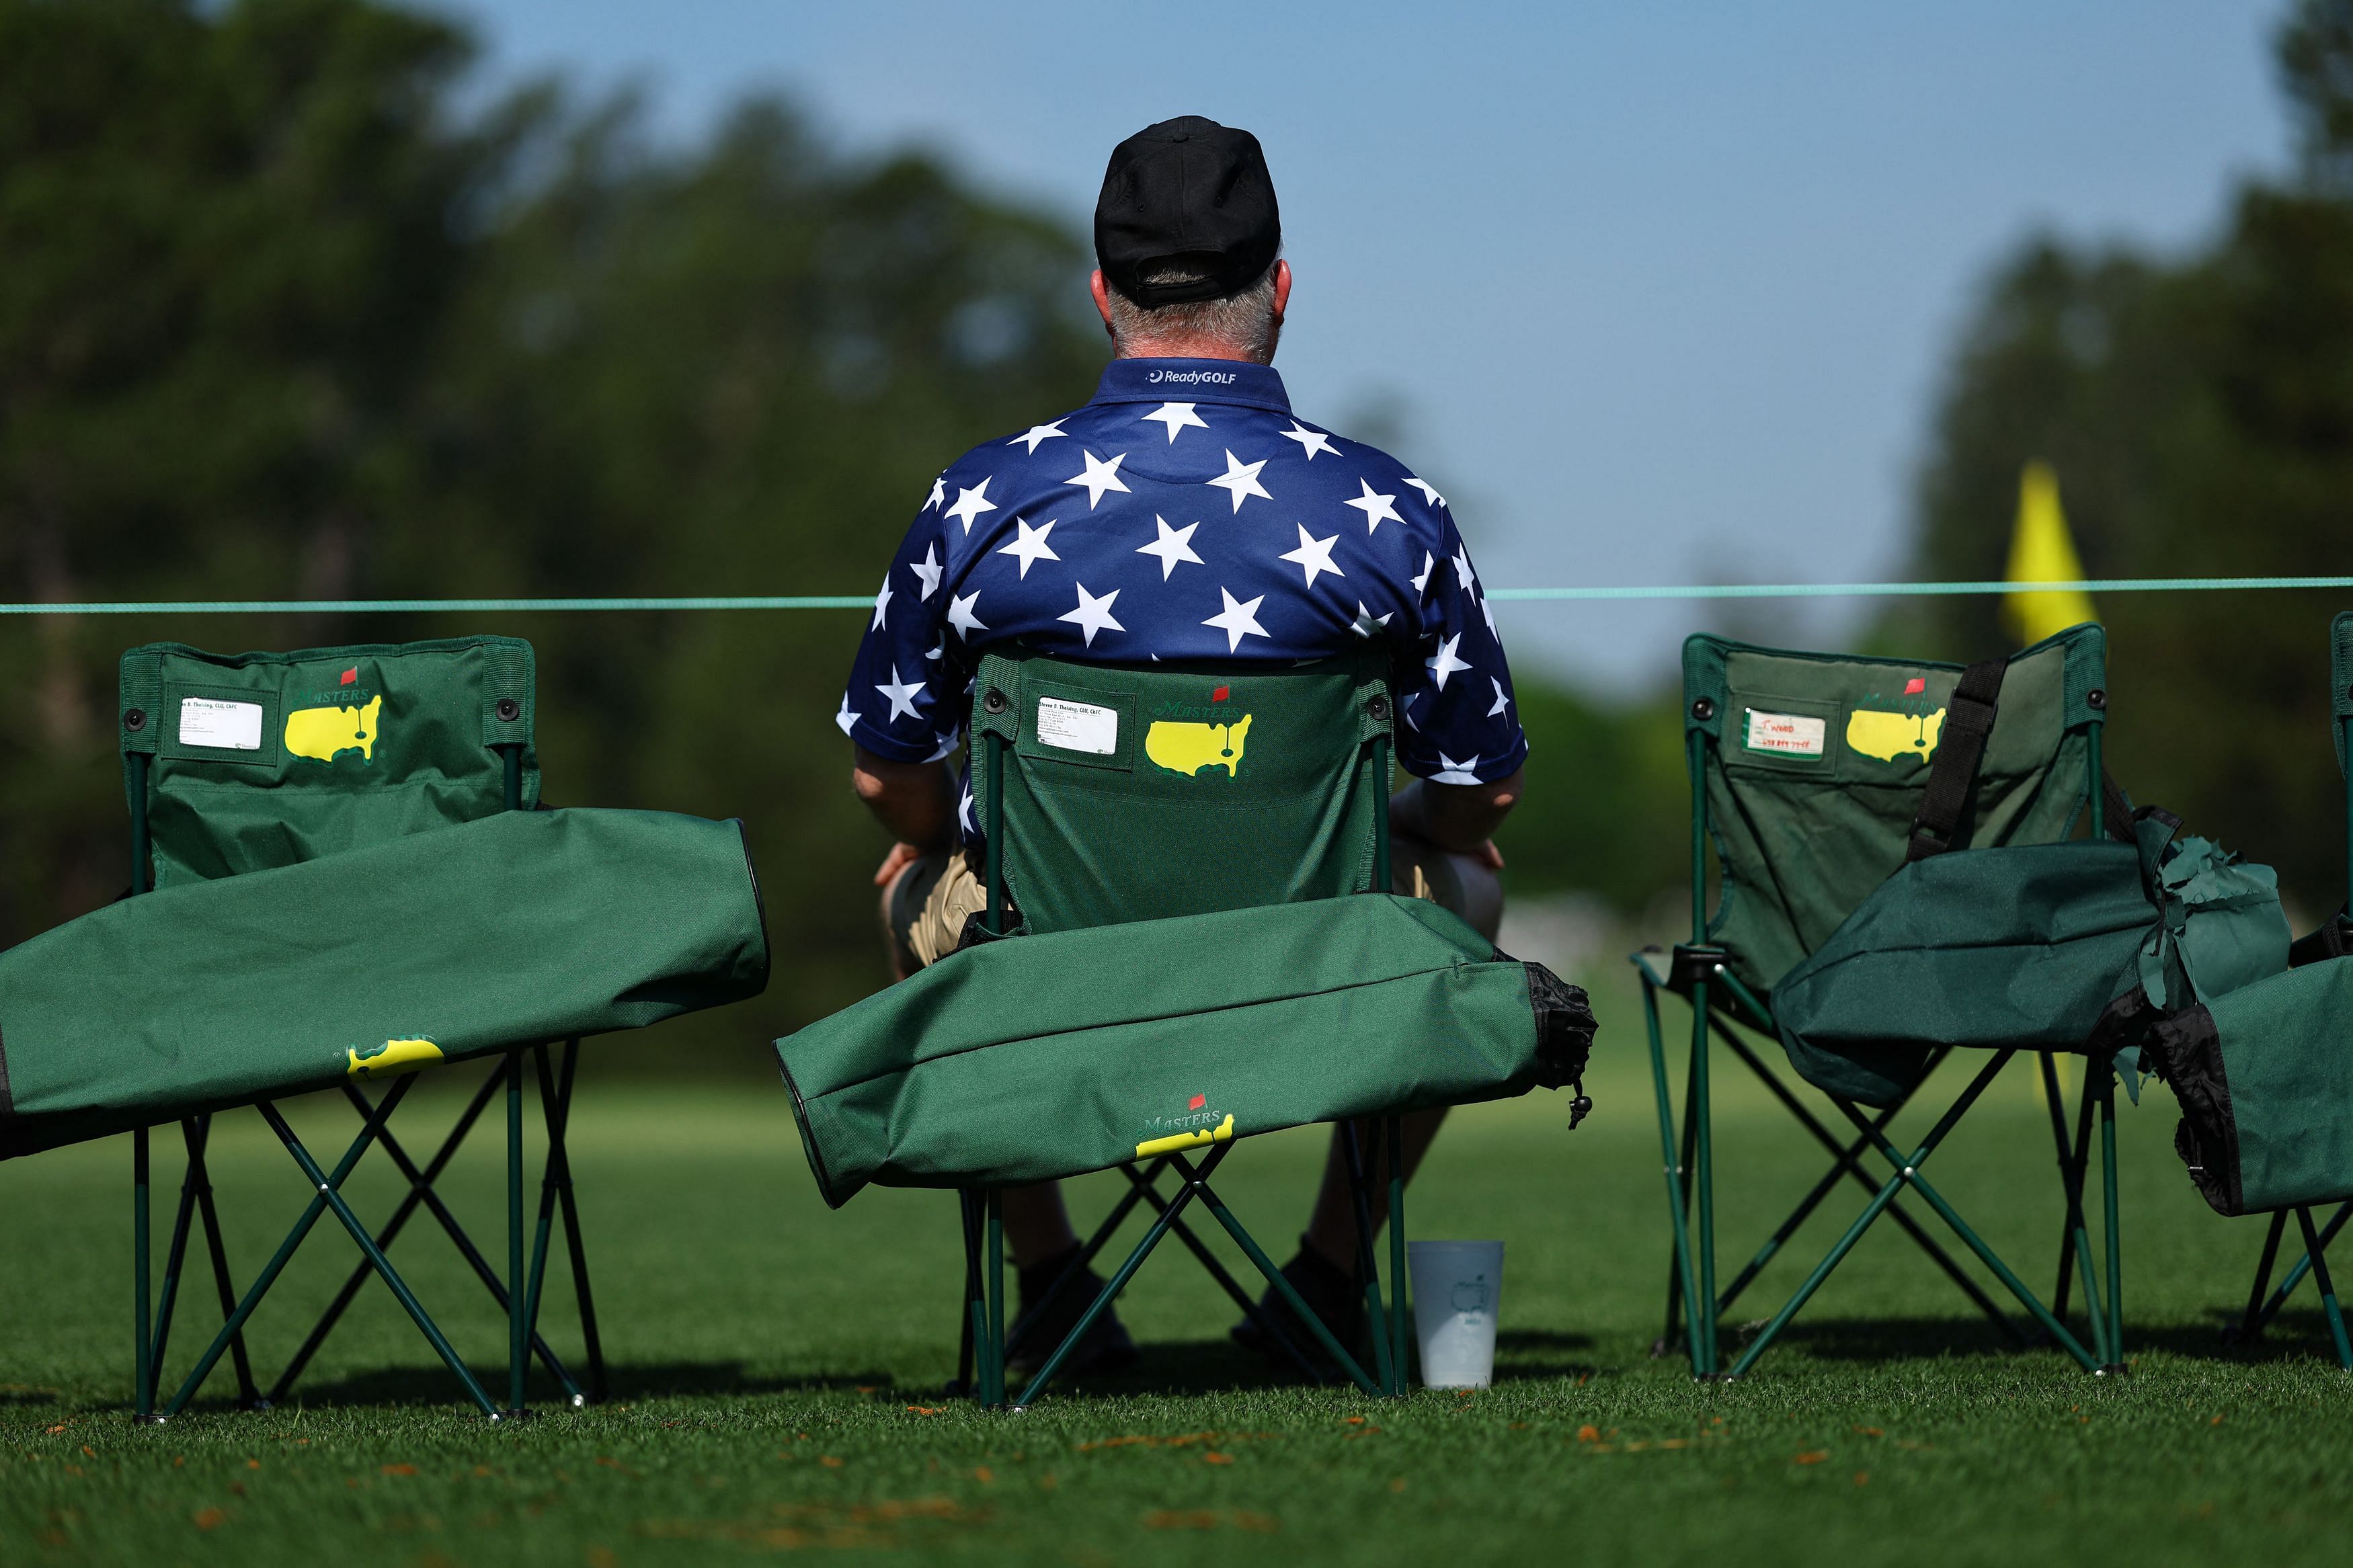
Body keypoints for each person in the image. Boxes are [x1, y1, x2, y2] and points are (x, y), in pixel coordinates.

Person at [838, 116, 1527, 1378]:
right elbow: (1484, 792)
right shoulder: (1391, 508)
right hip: (1310, 966)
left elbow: (885, 768)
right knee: (1472, 897)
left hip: (1052, 960)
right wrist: (1418, 831)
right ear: (1278, 290)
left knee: (907, 893)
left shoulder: (982, 496)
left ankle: (1049, 1284)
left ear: (1102, 295)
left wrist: (941, 839)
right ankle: (1325, 1279)